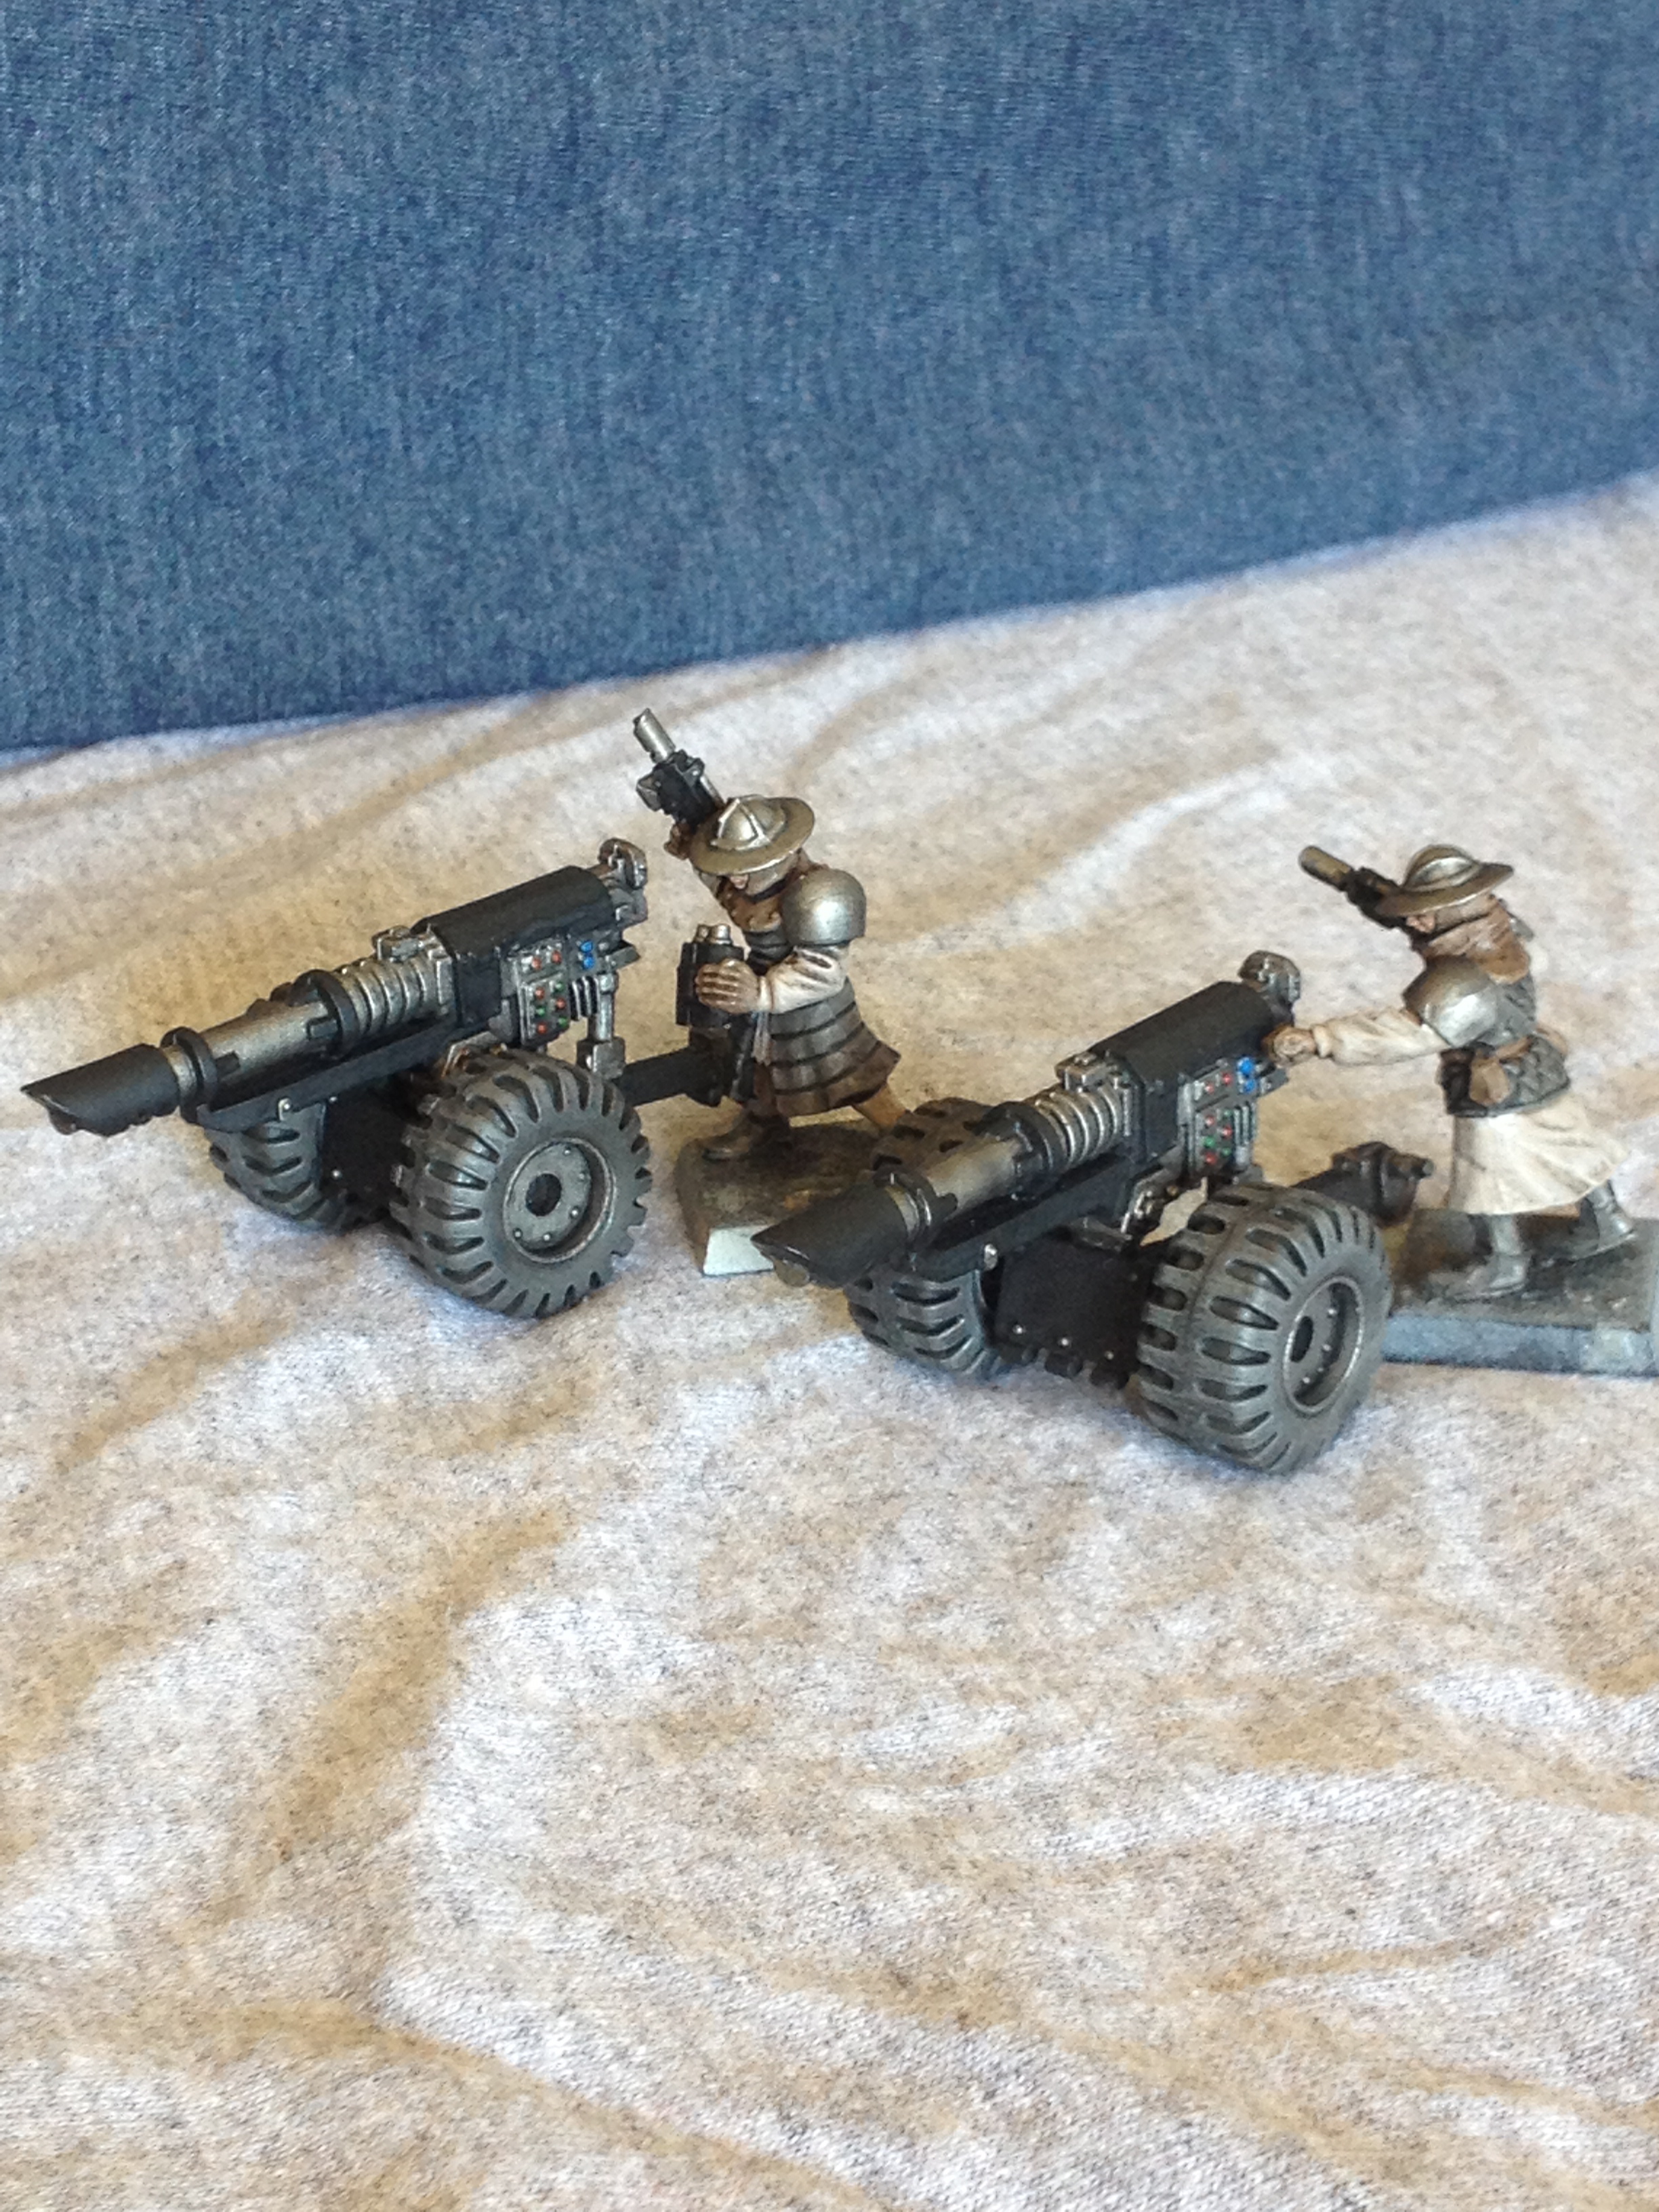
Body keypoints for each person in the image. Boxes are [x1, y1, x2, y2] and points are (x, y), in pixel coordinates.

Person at [1270, 844, 1630, 1298]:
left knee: (1487, 1177)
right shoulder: (1506, 936)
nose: (1417, 922)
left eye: (1425, 914)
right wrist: (1373, 896)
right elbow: (1523, 953)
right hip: (1537, 1064)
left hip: (1493, 1089)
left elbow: (1407, 1033)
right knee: (1571, 1144)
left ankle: (1503, 1262)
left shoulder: (1463, 980)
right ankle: (1606, 1218)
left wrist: (1321, 1039)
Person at [672, 793, 903, 1161]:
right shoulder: (747, 886)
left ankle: (903, 1130)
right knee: (754, 1069)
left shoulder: (816, 895)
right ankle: (762, 1125)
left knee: (848, 1073)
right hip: (757, 996)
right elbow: (723, 887)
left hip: (811, 1007)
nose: (736, 878)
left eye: (745, 867)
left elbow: (824, 971)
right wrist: (695, 852)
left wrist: (763, 992)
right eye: (732, 868)